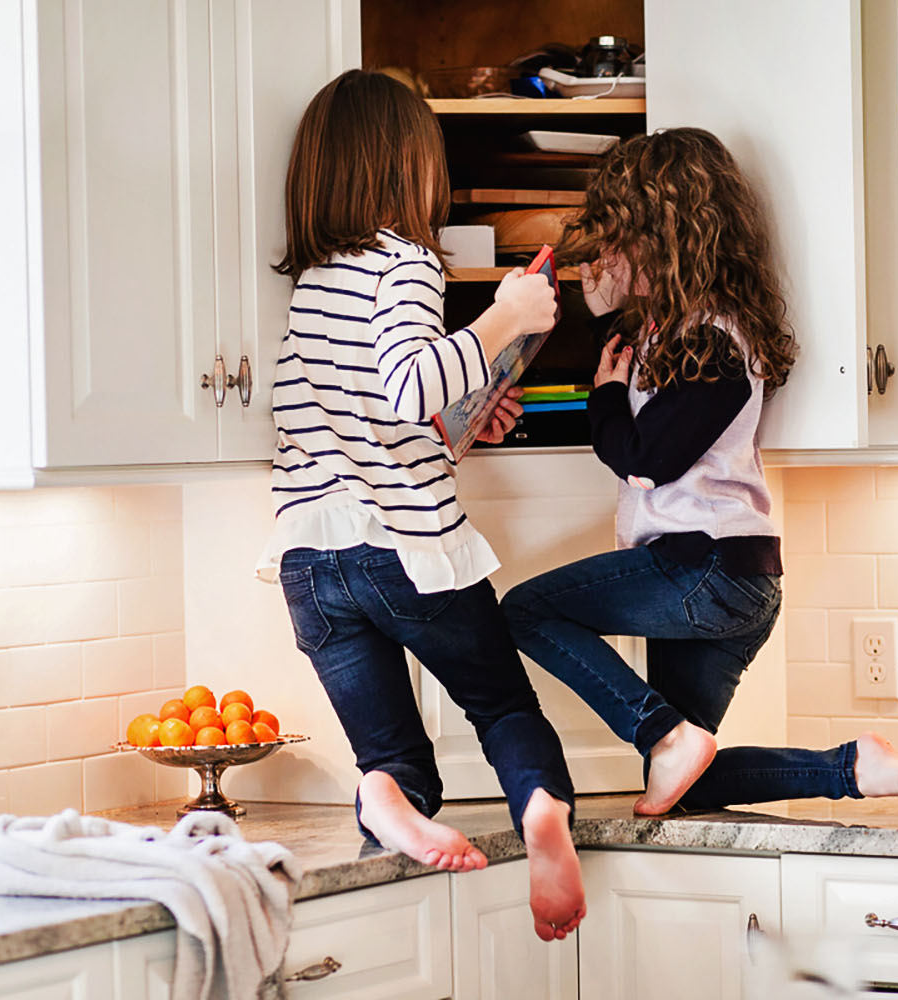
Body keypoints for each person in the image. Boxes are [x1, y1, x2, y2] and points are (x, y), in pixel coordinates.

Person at [501, 128, 898, 819]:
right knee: (684, 782)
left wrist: (607, 396)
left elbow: (646, 460)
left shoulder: (714, 339)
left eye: (622, 237)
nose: (609, 254)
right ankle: (859, 769)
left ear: (668, 238)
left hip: (706, 571)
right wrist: (602, 324)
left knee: (525, 610)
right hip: (720, 579)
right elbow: (624, 387)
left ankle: (658, 731)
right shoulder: (667, 333)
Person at [261, 69, 583, 941]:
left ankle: (381, 799)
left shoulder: (313, 282)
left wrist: (464, 422)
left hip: (312, 566)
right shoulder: (404, 263)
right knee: (506, 710)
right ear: (408, 167)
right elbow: (406, 384)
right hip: (405, 554)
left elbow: (368, 417)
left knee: (396, 764)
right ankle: (544, 813)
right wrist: (504, 319)